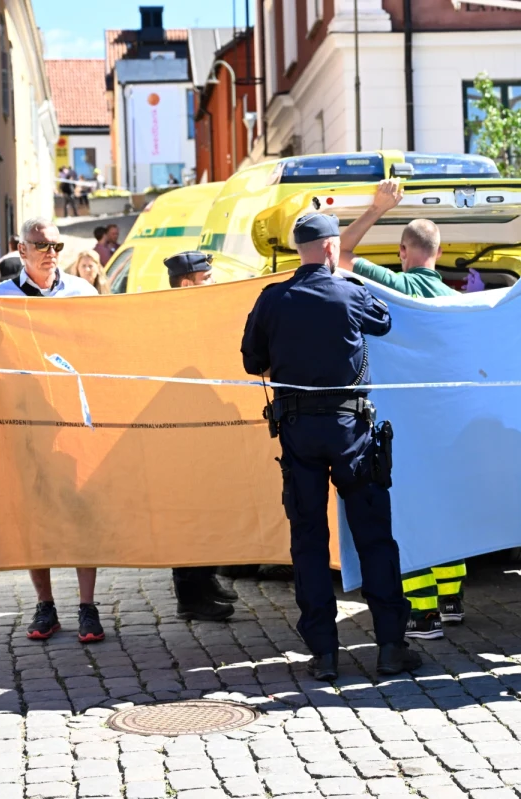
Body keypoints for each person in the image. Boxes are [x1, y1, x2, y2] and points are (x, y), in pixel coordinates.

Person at [240, 213, 421, 681]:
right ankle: (390, 647)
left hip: (298, 432)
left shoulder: (272, 298)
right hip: (350, 431)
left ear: (302, 249)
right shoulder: (350, 292)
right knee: (374, 538)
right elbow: (383, 322)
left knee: (309, 542)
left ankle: (323, 653)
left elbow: (251, 361)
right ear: (331, 249)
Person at [0, 217, 104, 644]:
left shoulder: (83, 292)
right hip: (25, 422)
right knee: (34, 513)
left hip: (75, 420)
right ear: (22, 248)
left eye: (56, 246)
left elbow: (103, 347)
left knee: (81, 510)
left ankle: (88, 607)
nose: (51, 253)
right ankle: (46, 605)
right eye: (42, 245)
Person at [337, 178, 467, 641]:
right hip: (450, 425)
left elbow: (340, 255)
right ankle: (452, 602)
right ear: (438, 249)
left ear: (403, 250)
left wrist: (375, 208)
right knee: (449, 509)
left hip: (406, 425)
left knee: (410, 514)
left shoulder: (394, 281)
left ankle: (424, 615)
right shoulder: (457, 303)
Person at [164, 251, 238, 622]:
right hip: (182, 436)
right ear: (188, 282)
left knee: (209, 508)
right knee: (188, 514)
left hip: (205, 430)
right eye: (207, 278)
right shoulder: (172, 321)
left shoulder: (198, 317)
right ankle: (189, 595)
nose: (213, 282)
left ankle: (205, 579)